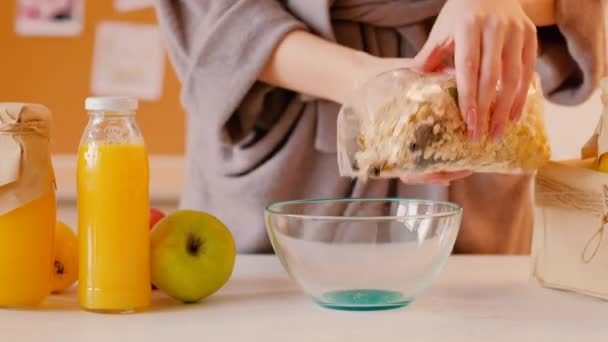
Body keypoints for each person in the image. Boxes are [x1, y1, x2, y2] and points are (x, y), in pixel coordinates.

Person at [153, 0, 606, 254]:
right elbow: (214, 13)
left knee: (469, 318)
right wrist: (372, 89)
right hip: (288, 150)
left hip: (471, 165)